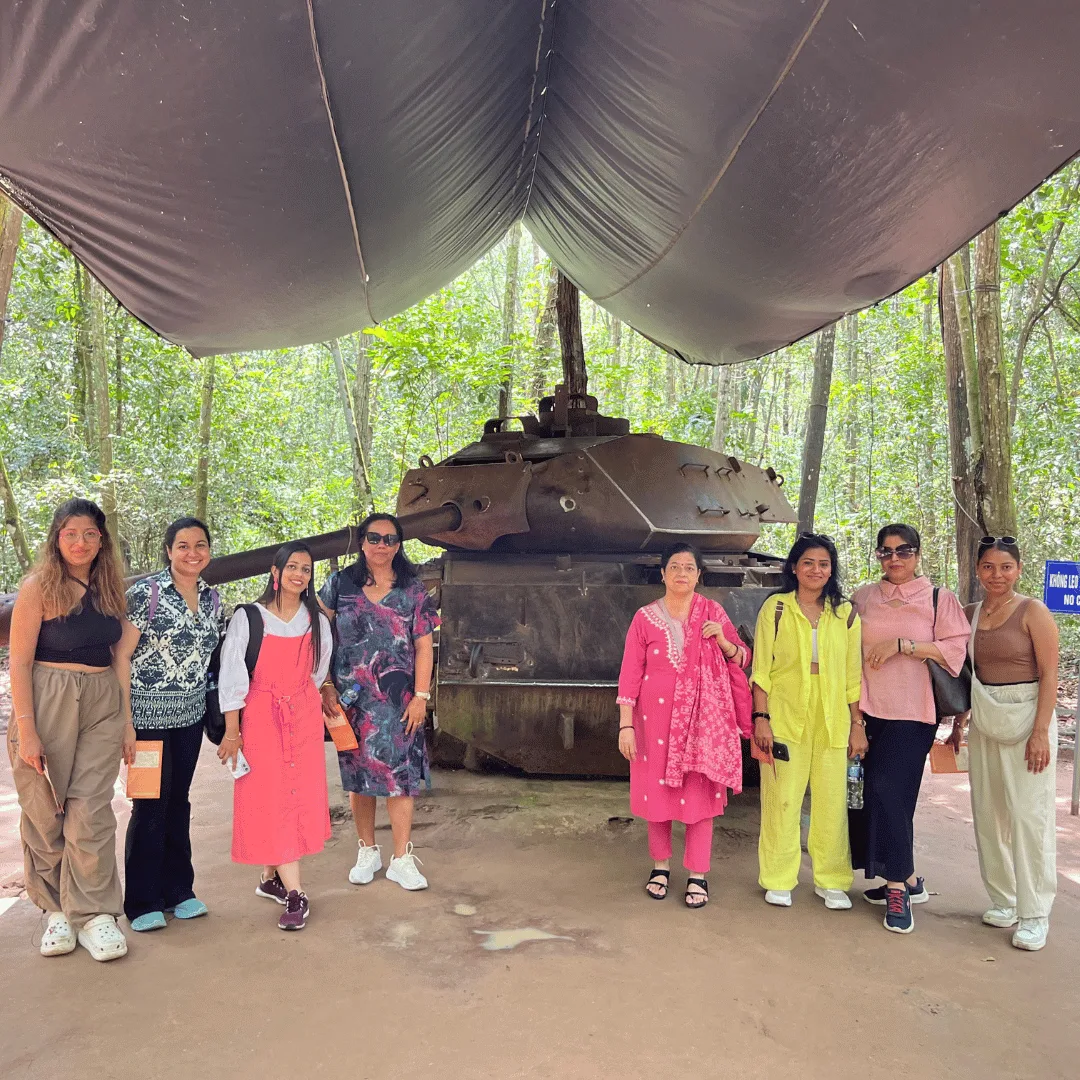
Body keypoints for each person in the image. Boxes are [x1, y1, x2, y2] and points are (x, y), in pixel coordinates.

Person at [6, 498, 136, 961]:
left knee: (91, 807)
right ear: (56, 539)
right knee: (44, 809)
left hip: (102, 699)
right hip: (48, 697)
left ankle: (95, 913)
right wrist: (27, 729)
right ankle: (57, 910)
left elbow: (119, 657)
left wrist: (126, 722)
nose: (80, 543)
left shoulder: (110, 588)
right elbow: (19, 663)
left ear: (102, 541)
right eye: (70, 534)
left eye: (89, 534)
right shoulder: (38, 587)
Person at [849, 524, 970, 934]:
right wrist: (854, 718)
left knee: (890, 792)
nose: (894, 558)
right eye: (886, 551)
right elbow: (846, 652)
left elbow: (954, 651)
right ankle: (909, 879)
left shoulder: (938, 598)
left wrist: (904, 646)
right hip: (868, 710)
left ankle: (897, 888)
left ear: (917, 554)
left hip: (914, 713)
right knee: (873, 796)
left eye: (903, 551)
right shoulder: (864, 597)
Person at [616, 543, 751, 908]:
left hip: (703, 725)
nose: (681, 573)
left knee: (699, 795)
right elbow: (630, 673)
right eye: (674, 566)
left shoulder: (713, 612)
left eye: (689, 568)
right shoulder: (644, 618)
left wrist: (721, 640)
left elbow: (742, 657)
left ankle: (697, 874)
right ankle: (660, 867)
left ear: (698, 575)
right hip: (653, 724)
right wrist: (626, 726)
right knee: (656, 794)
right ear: (663, 574)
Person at [949, 536, 1059, 952]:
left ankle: (1035, 913)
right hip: (986, 717)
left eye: (1006, 567)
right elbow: (967, 674)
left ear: (1019, 570)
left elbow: (1050, 674)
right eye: (989, 567)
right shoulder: (970, 614)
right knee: (988, 811)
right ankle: (1005, 899)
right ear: (978, 570)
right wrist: (959, 723)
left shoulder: (1034, 611)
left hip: (1029, 716)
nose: (997, 575)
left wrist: (1040, 732)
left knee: (1029, 816)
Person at [318, 513, 438, 892]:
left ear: (399, 545)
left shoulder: (413, 590)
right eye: (374, 538)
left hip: (400, 702)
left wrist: (421, 696)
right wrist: (324, 683)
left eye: (389, 539)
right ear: (362, 542)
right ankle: (367, 851)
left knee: (401, 777)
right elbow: (317, 633)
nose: (382, 545)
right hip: (350, 701)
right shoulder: (340, 584)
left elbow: (424, 646)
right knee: (359, 778)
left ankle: (401, 859)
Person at [217, 541, 332, 931]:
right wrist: (233, 732)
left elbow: (317, 672)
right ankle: (296, 893)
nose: (299, 574)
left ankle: (271, 878)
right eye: (292, 567)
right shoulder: (249, 617)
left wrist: (301, 702)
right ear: (275, 572)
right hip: (261, 716)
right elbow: (232, 676)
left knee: (295, 794)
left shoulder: (316, 621)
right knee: (271, 796)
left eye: (306, 569)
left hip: (302, 714)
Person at [118, 517, 224, 932]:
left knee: (179, 801)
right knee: (149, 804)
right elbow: (121, 657)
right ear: (168, 551)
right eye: (183, 545)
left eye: (200, 545)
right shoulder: (146, 594)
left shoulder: (213, 600)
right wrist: (125, 722)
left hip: (189, 720)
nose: (192, 553)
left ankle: (179, 891)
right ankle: (142, 901)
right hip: (146, 721)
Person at [751, 533, 866, 909]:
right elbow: (761, 669)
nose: (816, 570)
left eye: (824, 564)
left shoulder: (846, 613)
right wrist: (761, 718)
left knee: (832, 802)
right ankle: (778, 877)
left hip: (832, 717)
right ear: (794, 567)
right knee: (781, 798)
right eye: (808, 563)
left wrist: (857, 724)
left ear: (831, 570)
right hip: (785, 714)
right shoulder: (776, 609)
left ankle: (831, 880)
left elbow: (853, 677)